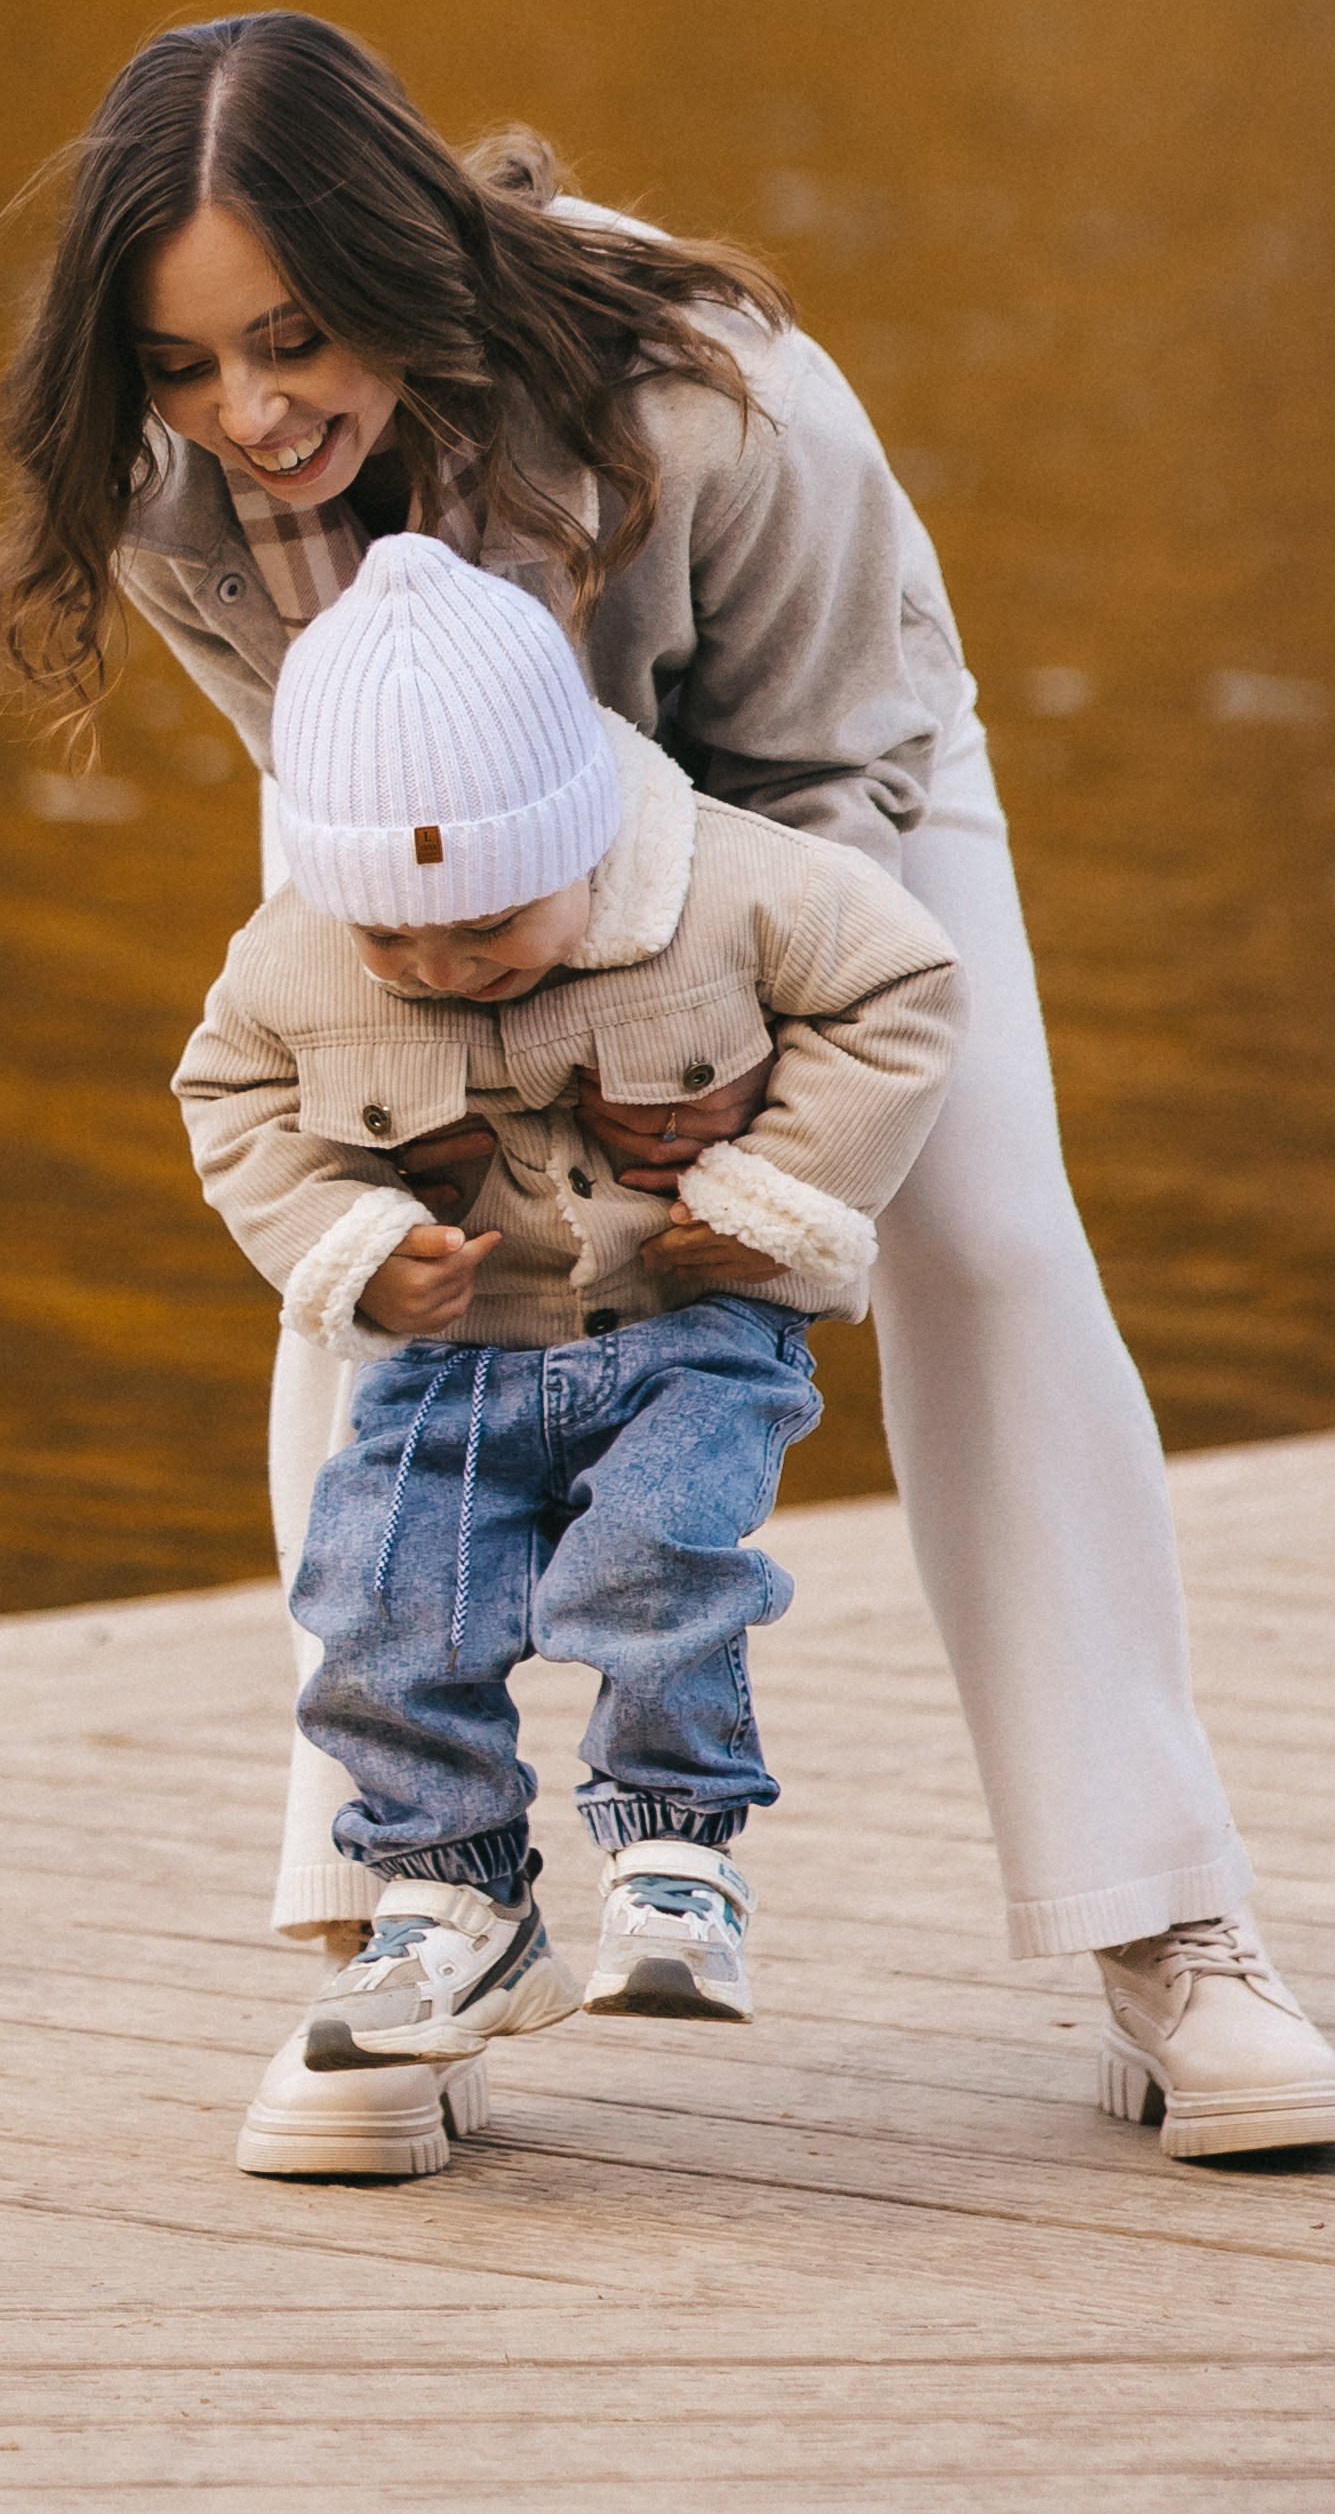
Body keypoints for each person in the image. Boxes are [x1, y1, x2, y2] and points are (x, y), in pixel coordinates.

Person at [0, 9, 1335, 2165]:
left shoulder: (716, 395)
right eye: (178, 364)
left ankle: (1164, 1918)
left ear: (402, 263)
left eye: (292, 339)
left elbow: (827, 770)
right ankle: (409, 1920)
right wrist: (450, 1083)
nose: (246, 414)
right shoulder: (181, 491)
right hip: (419, 844)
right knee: (370, 1272)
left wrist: (720, 1078)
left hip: (825, 794)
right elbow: (331, 784)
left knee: (981, 1235)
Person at [175, 532, 965, 2144]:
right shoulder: (299, 952)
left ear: (579, 829)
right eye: (395, 938)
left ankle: (675, 1856)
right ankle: (452, 1903)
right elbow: (232, 1097)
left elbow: (902, 990)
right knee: (383, 1599)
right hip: (463, 1358)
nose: (441, 966)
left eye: (487, 922)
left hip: (687, 1328)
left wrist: (777, 1194)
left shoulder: (734, 887)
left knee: (655, 1554)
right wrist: (356, 1245)